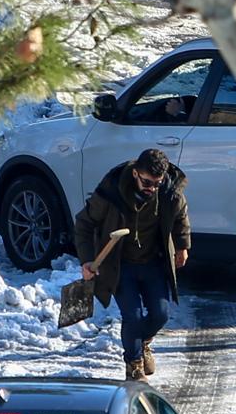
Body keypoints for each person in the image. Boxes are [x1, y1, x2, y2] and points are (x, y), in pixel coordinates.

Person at [74, 148, 191, 382]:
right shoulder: (111, 192)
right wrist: (87, 259)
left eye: (157, 183)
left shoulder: (169, 192)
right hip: (120, 265)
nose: (152, 188)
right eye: (147, 182)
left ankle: (143, 341)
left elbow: (180, 218)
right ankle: (133, 364)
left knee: (161, 314)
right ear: (136, 173)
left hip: (153, 262)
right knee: (133, 316)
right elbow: (84, 224)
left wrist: (182, 245)